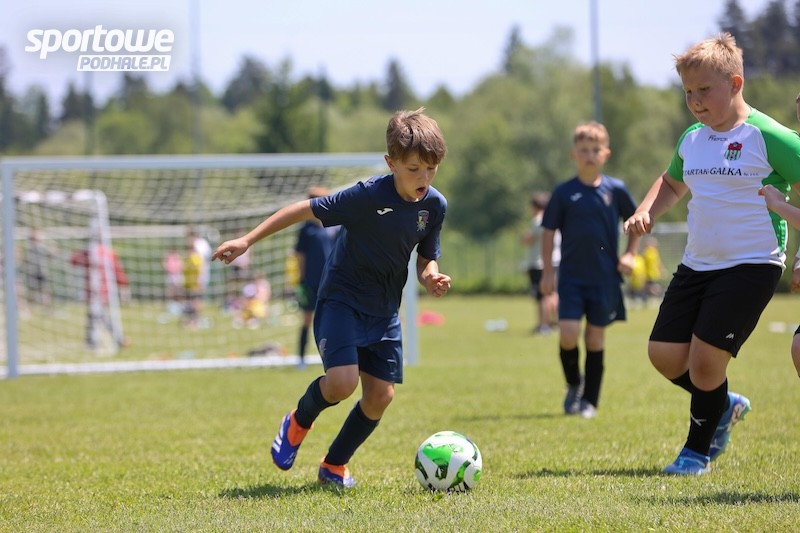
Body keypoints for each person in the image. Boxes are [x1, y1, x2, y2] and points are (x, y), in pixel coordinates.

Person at [212, 108, 451, 488]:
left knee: (380, 396)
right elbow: (302, 210)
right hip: (342, 300)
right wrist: (247, 240)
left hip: (384, 310)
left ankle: (334, 465)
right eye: (414, 168)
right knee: (342, 383)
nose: (423, 178)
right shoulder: (367, 196)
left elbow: (425, 257)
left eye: (431, 169)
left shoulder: (434, 206)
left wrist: (430, 276)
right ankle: (298, 421)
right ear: (391, 163)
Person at [623, 33, 800, 475]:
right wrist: (645, 210)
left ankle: (695, 453)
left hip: (753, 263)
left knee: (705, 362)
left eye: (704, 89)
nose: (695, 101)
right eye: (688, 92)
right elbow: (671, 182)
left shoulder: (771, 137)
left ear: (735, 83)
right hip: (697, 262)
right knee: (664, 355)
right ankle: (722, 402)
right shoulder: (692, 138)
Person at [540, 121, 640, 420]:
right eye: (583, 150)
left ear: (606, 153)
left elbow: (636, 221)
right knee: (568, 335)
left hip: (604, 279)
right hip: (571, 278)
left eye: (595, 150)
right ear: (573, 154)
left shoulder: (615, 190)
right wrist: (548, 273)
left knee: (595, 339)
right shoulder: (564, 192)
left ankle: (589, 401)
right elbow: (548, 232)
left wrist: (630, 254)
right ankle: (574, 384)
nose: (589, 155)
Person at [294, 186, 339, 369]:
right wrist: (301, 279)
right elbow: (300, 256)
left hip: (332, 281)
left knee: (333, 321)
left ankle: (333, 359)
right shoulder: (306, 230)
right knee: (307, 320)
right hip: (311, 281)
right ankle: (301, 359)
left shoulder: (335, 227)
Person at [70, 234, 129, 350]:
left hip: (98, 290)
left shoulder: (90, 253)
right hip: (101, 290)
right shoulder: (107, 252)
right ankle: (92, 341)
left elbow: (73, 261)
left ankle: (118, 338)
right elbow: (118, 271)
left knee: (99, 315)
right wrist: (123, 285)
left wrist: (82, 251)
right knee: (94, 315)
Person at [521, 192, 560, 335]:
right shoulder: (555, 219)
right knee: (553, 293)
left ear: (535, 206)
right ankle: (555, 322)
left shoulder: (539, 220)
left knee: (542, 295)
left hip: (540, 263)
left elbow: (528, 240)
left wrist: (524, 237)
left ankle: (543, 325)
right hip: (555, 261)